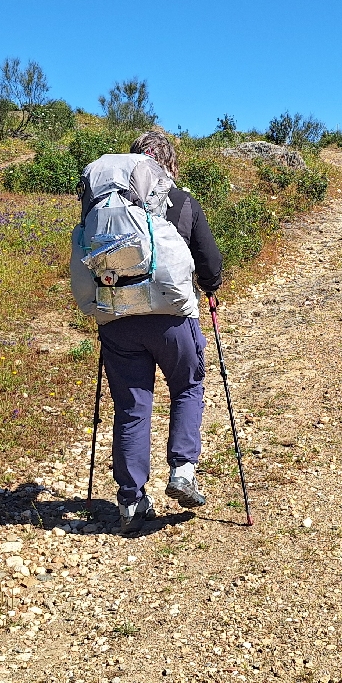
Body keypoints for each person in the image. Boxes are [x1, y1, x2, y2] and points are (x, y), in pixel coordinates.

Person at [71, 130, 223, 535]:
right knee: (188, 385)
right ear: (168, 164)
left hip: (118, 320)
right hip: (172, 319)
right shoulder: (181, 200)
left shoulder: (105, 205)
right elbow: (210, 263)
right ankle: (183, 470)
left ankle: (131, 500)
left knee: (132, 406)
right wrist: (211, 285)